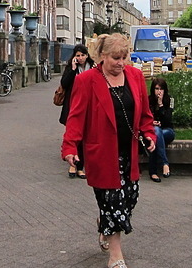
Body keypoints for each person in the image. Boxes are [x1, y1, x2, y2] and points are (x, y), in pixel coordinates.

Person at [62, 33, 156, 268]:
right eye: (116, 57)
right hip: (102, 154)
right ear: (102, 56)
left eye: (124, 57)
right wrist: (70, 147)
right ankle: (116, 256)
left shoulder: (134, 76)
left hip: (129, 153)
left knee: (129, 199)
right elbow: (75, 117)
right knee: (113, 202)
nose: (121, 62)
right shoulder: (87, 81)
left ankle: (104, 223)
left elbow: (144, 114)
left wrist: (149, 134)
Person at [59, 44, 95, 179]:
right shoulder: (71, 68)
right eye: (77, 56)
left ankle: (80, 167)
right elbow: (64, 83)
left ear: (87, 55)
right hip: (73, 104)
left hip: (88, 106)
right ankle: (72, 164)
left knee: (84, 136)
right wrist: (73, 70)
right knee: (73, 134)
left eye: (82, 55)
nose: (80, 58)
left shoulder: (93, 68)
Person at [147, 77, 175, 183]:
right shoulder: (148, 100)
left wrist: (161, 105)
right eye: (157, 89)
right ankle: (164, 164)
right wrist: (152, 122)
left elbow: (168, 120)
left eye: (161, 89)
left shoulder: (170, 100)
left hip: (167, 130)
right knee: (156, 135)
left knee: (158, 134)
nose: (159, 92)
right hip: (154, 131)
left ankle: (153, 171)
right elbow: (145, 117)